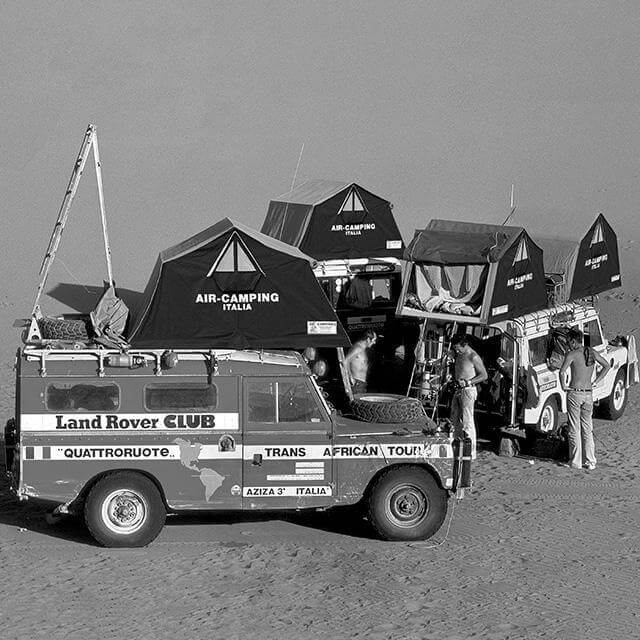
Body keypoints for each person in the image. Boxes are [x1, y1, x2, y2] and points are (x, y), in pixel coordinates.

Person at [559, 328, 611, 470]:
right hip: (589, 394)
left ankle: (575, 461)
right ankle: (590, 461)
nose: (567, 344)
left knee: (574, 428)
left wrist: (564, 386)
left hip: (575, 393)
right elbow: (607, 365)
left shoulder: (572, 354)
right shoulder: (591, 352)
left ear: (573, 341)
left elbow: (562, 371)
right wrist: (596, 381)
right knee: (587, 428)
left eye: (568, 341)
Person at [449, 334, 488, 459]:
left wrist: (468, 382)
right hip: (458, 389)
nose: (456, 350)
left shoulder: (473, 356)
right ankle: (455, 447)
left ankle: (470, 451)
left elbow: (484, 375)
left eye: (457, 348)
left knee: (467, 420)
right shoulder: (459, 355)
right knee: (454, 418)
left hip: (468, 390)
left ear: (464, 344)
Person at [346, 329, 377, 394]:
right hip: (356, 384)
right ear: (368, 339)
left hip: (361, 384)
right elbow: (345, 361)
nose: (374, 343)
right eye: (374, 340)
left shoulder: (364, 349)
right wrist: (350, 377)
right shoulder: (358, 348)